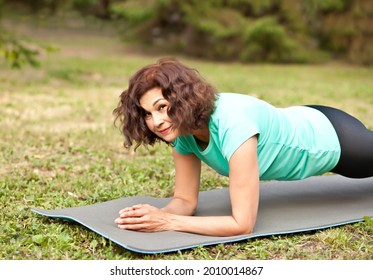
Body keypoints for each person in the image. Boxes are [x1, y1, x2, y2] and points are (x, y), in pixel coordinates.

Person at [113, 58, 373, 236]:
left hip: (337, 142)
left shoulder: (234, 125)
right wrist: (155, 214)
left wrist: (168, 222)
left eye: (161, 107)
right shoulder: (182, 129)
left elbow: (242, 224)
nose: (156, 122)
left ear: (182, 99)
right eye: (147, 114)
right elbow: (185, 200)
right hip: (306, 116)